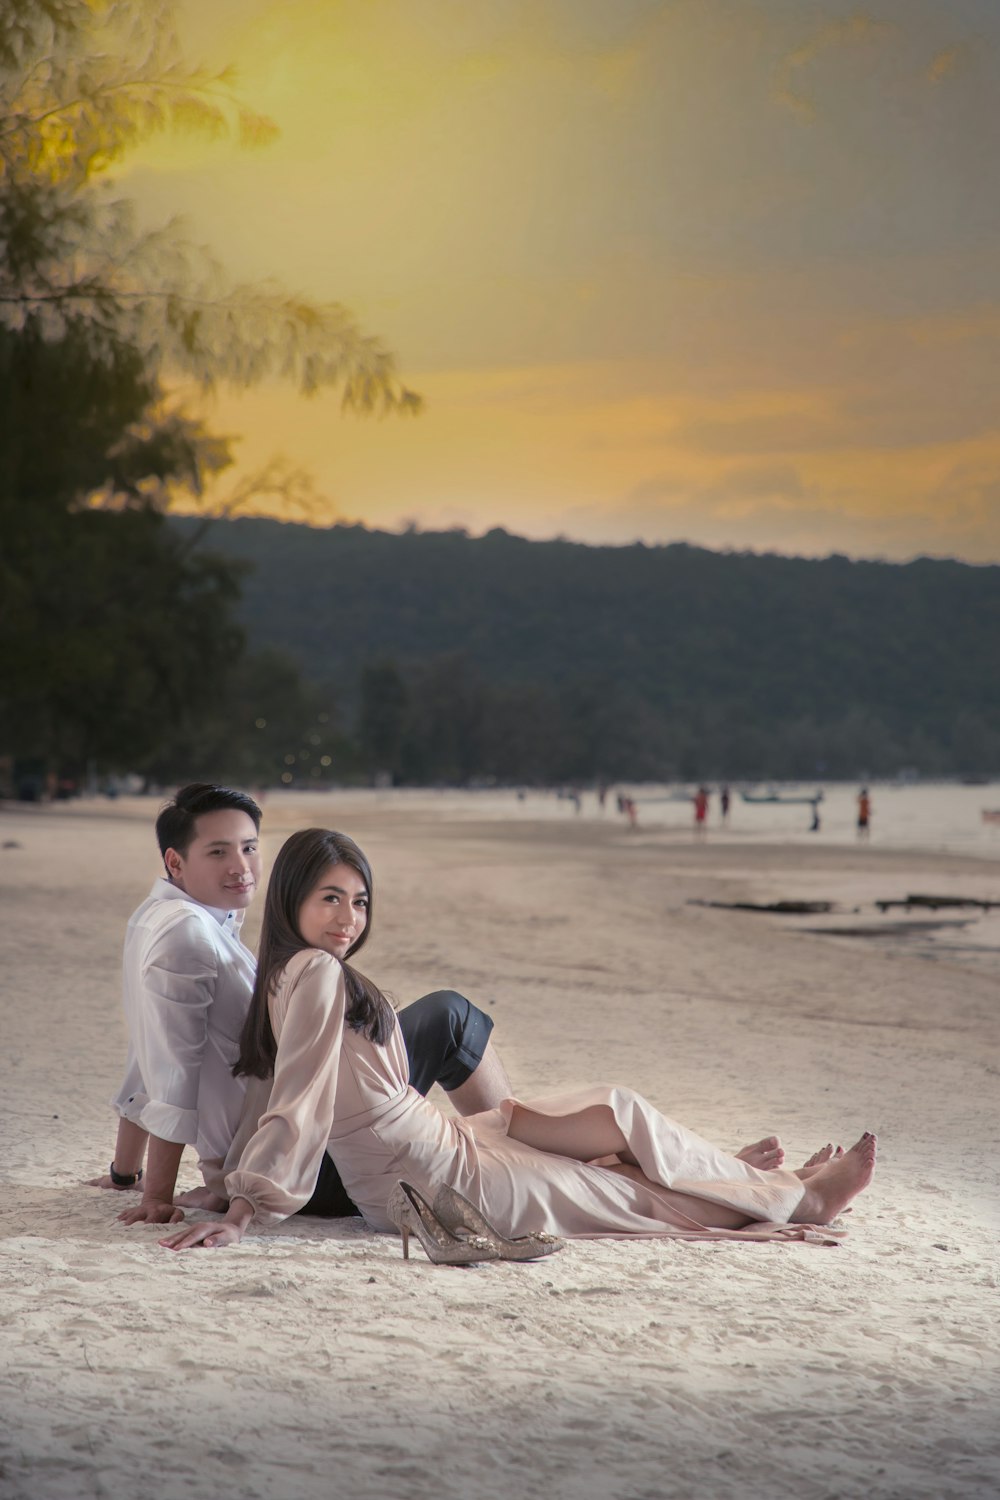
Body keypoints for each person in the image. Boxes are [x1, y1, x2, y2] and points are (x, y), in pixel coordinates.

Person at [161, 828, 877, 1255]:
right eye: (330, 899)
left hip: (449, 1142)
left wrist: (222, 1185)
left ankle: (745, 1177)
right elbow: (296, 1095)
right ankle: (798, 1200)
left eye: (360, 900)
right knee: (620, 1192)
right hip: (434, 1177)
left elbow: (264, 1087)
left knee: (617, 1113)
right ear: (291, 901)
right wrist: (246, 1206)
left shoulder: (291, 970)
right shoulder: (314, 972)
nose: (349, 917)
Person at [89, 785, 511, 1225]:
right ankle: (508, 1149)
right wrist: (158, 1195)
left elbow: (144, 1050)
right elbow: (170, 1069)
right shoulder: (186, 936)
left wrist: (124, 1173)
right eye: (218, 852)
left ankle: (507, 1144)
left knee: (409, 1022)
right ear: (175, 862)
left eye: (249, 848)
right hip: (303, 1165)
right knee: (448, 1016)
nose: (241, 867)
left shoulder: (157, 918)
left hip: (264, 1150)